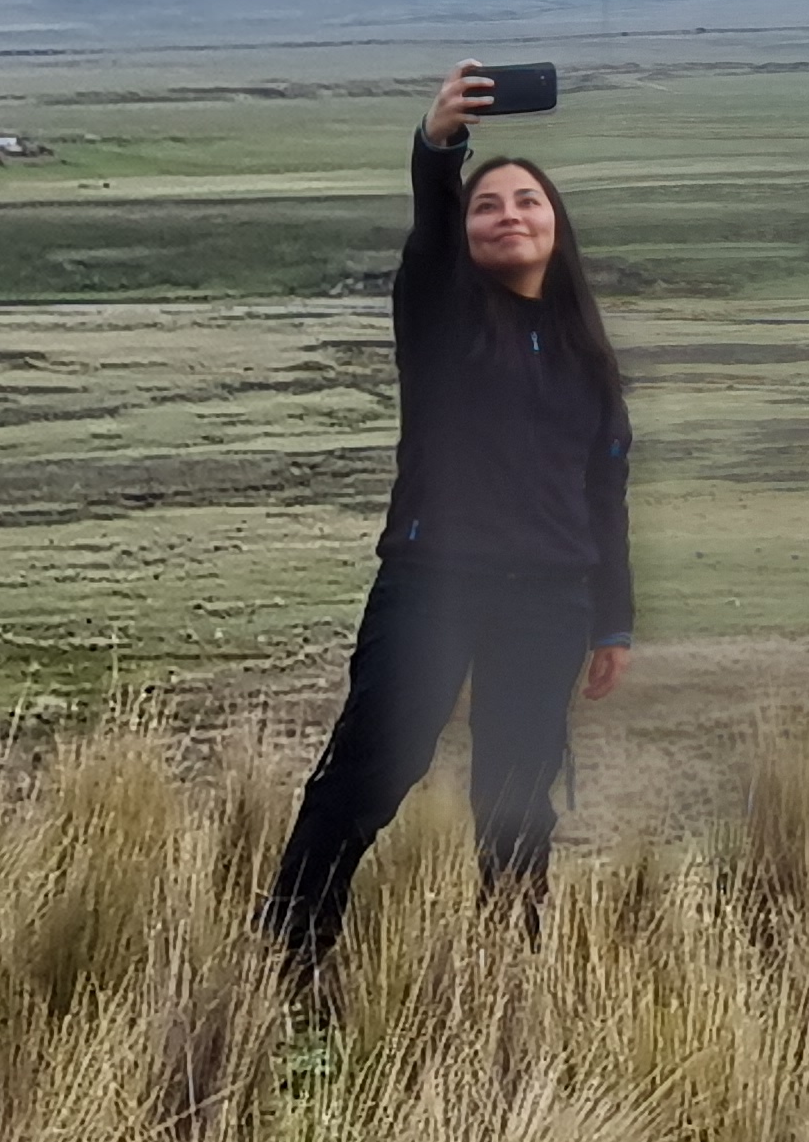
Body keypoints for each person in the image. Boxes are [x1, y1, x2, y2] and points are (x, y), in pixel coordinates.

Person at [260, 63, 635, 977]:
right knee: (372, 771)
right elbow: (429, 230)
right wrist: (439, 146)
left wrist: (613, 619)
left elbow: (605, 492)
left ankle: (510, 969)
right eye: (487, 206)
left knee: (517, 796)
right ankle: (290, 953)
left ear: (558, 229)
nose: (509, 214)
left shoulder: (586, 354)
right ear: (463, 235)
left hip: (550, 598)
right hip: (436, 584)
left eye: (529, 203)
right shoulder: (440, 318)